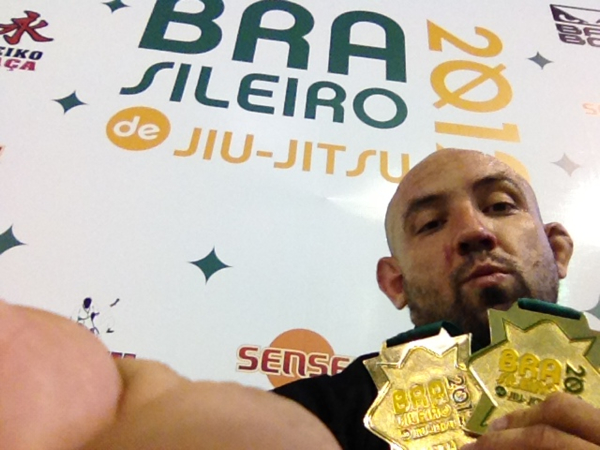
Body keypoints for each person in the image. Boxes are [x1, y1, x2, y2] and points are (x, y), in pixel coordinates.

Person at [1, 149, 599, 450]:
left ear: (558, 249)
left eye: (500, 205)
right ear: (394, 282)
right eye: (430, 224)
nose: (474, 230)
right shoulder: (317, 414)